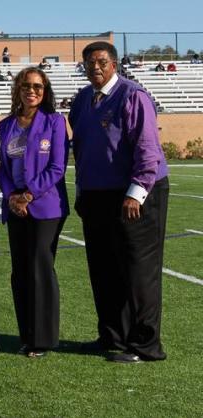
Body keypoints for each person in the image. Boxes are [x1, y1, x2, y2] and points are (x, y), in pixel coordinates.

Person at [70, 41, 169, 363]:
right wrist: (82, 191)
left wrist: (136, 192)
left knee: (139, 271)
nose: (95, 67)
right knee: (103, 269)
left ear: (113, 64)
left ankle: (145, 345)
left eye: (101, 62)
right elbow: (83, 148)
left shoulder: (132, 95)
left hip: (133, 195)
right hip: (97, 195)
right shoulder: (84, 99)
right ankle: (112, 336)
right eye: (89, 63)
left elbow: (147, 149)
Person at [0, 67, 68, 358]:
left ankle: (44, 339)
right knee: (21, 271)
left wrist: (28, 194)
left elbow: (57, 167)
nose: (32, 91)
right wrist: (12, 196)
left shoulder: (54, 122)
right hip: (15, 206)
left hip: (46, 206)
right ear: (17, 89)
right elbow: (0, 166)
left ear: (45, 90)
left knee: (40, 267)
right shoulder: (5, 125)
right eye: (26, 85)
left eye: (38, 86)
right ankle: (26, 335)